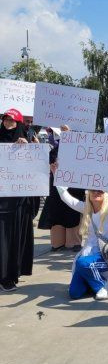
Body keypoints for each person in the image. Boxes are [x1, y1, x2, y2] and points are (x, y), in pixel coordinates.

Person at [52, 164, 108, 300]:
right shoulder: (85, 208)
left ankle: (101, 285)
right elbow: (65, 197)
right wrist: (57, 175)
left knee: (82, 263)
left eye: (100, 190)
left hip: (106, 256)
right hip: (88, 254)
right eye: (93, 190)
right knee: (74, 293)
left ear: (105, 194)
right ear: (88, 193)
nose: (97, 192)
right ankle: (93, 282)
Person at [0, 109, 40, 292]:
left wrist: (33, 149)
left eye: (11, 120)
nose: (7, 122)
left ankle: (11, 274)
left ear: (19, 124)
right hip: (3, 201)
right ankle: (4, 276)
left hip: (19, 202)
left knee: (15, 238)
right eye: (5, 119)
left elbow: (39, 167)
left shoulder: (28, 142)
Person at [38, 125, 83, 252]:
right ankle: (57, 243)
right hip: (56, 188)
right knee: (56, 213)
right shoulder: (55, 150)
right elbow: (45, 163)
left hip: (74, 188)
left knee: (73, 212)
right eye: (63, 133)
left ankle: (74, 242)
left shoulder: (81, 149)